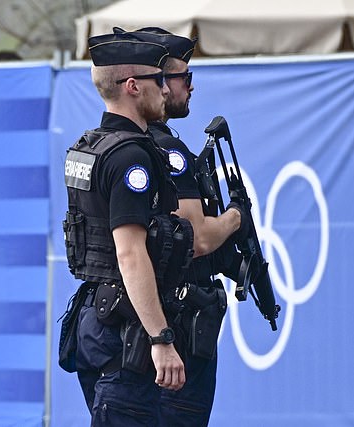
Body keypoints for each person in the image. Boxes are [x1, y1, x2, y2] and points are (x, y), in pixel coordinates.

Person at [60, 30, 194, 426]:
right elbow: (130, 253)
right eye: (158, 80)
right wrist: (160, 338)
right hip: (126, 334)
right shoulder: (131, 158)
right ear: (133, 87)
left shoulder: (92, 146)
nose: (166, 91)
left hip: (97, 321)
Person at [118, 27, 246, 426]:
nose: (190, 87)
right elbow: (199, 239)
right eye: (181, 78)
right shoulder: (166, 151)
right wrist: (237, 217)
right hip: (174, 325)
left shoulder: (123, 143)